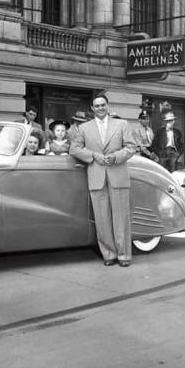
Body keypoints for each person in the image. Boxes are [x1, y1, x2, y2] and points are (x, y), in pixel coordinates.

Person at [70, 95, 136, 267]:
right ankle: (109, 254)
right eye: (97, 106)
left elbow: (131, 147)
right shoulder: (84, 128)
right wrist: (93, 156)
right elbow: (74, 149)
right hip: (96, 176)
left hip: (118, 175)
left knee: (121, 217)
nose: (100, 108)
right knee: (102, 218)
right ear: (92, 108)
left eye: (103, 105)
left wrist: (115, 157)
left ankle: (124, 255)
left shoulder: (121, 124)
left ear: (108, 105)